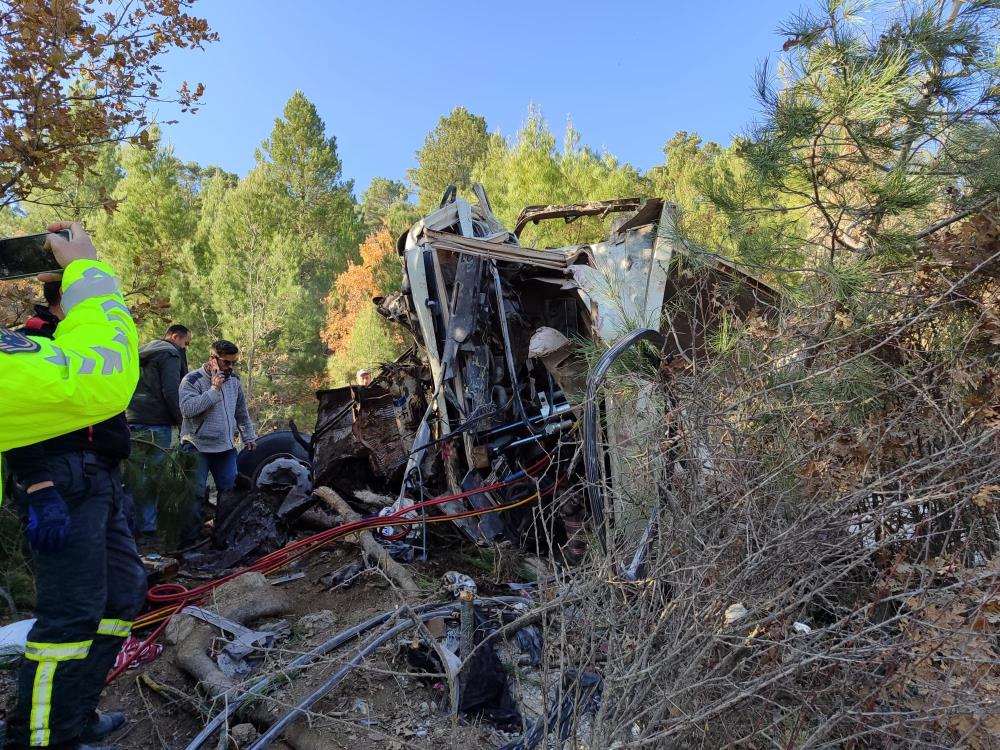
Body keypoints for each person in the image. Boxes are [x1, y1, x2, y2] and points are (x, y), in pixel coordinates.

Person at [0, 222, 142, 750]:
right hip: (60, 480)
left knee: (123, 597)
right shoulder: (30, 342)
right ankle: (37, 738)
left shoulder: (63, 343)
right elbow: (23, 422)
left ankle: (75, 717)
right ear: (63, 302)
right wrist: (38, 487)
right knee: (70, 616)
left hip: (101, 478)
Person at [179, 339, 257, 543]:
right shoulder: (192, 380)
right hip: (196, 446)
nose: (230, 367)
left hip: (225, 447)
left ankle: (225, 537)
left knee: (230, 493)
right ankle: (190, 542)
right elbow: (188, 410)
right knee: (194, 495)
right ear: (212, 360)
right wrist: (213, 391)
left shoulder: (234, 381)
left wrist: (248, 435)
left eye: (234, 363)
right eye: (226, 362)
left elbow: (241, 412)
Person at [126, 324, 192, 534]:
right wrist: (183, 421)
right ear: (175, 337)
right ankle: (147, 530)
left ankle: (126, 529)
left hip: (130, 420)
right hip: (156, 424)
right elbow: (171, 390)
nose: (185, 348)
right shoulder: (170, 354)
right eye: (186, 343)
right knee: (152, 478)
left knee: (131, 477)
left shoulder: (142, 353)